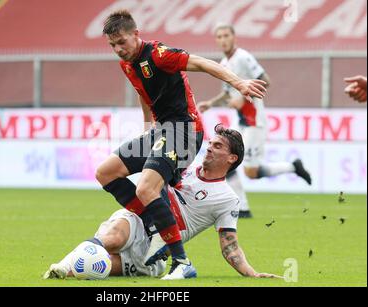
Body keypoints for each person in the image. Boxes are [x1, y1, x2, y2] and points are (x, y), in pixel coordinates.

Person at [94, 11, 267, 279]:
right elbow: (145, 94)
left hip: (185, 129)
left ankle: (182, 262)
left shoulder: (160, 55)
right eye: (112, 45)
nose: (118, 49)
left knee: (146, 187)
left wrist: (238, 82)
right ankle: (154, 224)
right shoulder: (127, 64)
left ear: (136, 34)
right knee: (105, 172)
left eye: (122, 42)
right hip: (162, 130)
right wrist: (147, 128)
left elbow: (203, 63)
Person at [44, 125, 281, 280]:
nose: (208, 148)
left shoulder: (228, 199)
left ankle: (70, 270)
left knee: (99, 268)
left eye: (217, 146)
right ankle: (61, 266)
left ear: (232, 158)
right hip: (137, 221)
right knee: (113, 238)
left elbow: (229, 245)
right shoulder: (183, 165)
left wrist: (252, 274)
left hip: (154, 254)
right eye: (210, 143)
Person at [197, 24, 312, 218]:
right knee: (229, 159)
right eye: (219, 36)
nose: (223, 39)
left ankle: (290, 169)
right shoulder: (225, 62)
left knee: (246, 168)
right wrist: (211, 103)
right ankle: (243, 206)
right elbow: (228, 92)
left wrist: (243, 97)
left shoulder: (243, 57)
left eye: (226, 35)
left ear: (234, 37)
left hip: (254, 121)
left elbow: (265, 80)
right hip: (240, 120)